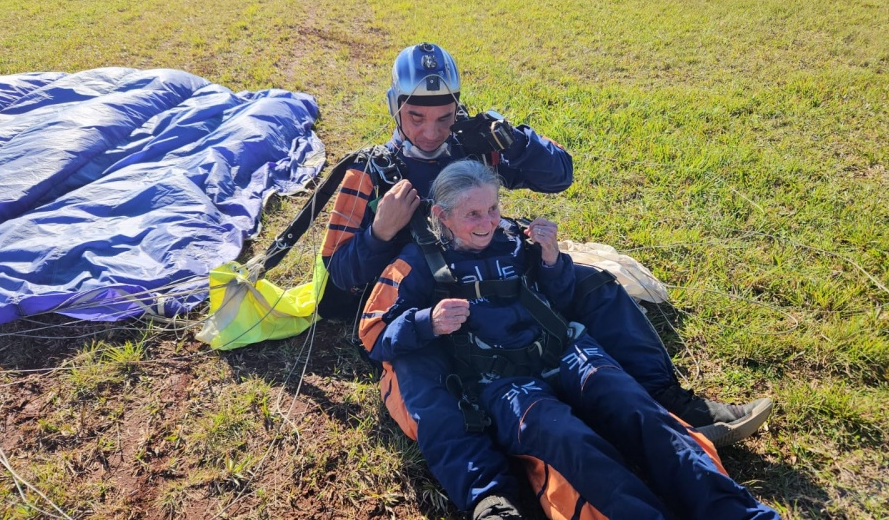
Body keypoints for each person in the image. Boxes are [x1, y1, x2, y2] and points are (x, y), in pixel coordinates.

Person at [320, 42, 772, 518]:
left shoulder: (476, 145)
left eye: (444, 117)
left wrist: (514, 140)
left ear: (458, 107)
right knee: (425, 370)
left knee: (594, 285)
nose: (431, 132)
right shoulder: (369, 172)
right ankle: (488, 490)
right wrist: (380, 231)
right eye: (416, 118)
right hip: (420, 297)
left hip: (502, 271)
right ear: (395, 106)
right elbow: (339, 278)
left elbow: (560, 175)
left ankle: (666, 400)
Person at [360, 160, 780, 519]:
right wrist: (426, 322)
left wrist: (552, 260)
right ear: (443, 215)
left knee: (638, 410)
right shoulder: (417, 263)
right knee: (569, 440)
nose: (487, 222)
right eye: (472, 215)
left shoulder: (515, 238)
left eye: (493, 208)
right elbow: (374, 333)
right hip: (501, 382)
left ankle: (738, 512)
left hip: (568, 350)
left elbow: (562, 297)